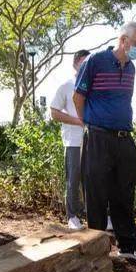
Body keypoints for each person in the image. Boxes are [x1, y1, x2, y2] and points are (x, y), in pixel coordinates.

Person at [74, 22, 136, 262]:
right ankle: (97, 252)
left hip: (124, 139)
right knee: (96, 194)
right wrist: (87, 123)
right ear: (123, 40)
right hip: (98, 137)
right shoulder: (95, 61)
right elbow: (79, 96)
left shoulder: (132, 69)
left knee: (124, 194)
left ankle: (127, 245)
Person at [50, 49, 90, 230]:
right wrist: (78, 121)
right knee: (73, 179)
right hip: (73, 141)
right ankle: (72, 216)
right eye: (83, 62)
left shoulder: (93, 86)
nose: (86, 65)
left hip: (93, 140)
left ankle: (95, 215)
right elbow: (54, 112)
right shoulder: (66, 86)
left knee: (92, 179)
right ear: (75, 63)